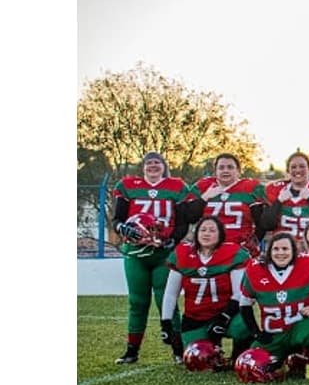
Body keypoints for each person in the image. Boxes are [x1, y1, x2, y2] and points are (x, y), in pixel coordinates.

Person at [111, 151, 197, 364]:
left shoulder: (176, 187)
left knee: (166, 301)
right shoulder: (128, 186)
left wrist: (171, 240)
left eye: (157, 162)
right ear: (143, 167)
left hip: (163, 254)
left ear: (164, 166)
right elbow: (117, 220)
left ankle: (178, 351)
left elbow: (182, 223)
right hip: (136, 253)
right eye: (149, 163)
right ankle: (132, 351)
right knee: (137, 302)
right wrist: (123, 228)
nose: (152, 166)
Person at [237, 231, 309, 379]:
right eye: (276, 249)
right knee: (257, 364)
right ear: (269, 251)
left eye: (285, 249)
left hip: (298, 328)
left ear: (294, 251)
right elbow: (245, 305)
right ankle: (287, 360)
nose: (280, 253)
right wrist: (256, 333)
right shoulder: (255, 269)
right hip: (273, 335)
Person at [159, 216, 251, 365]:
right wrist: (166, 322)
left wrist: (224, 318)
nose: (206, 234)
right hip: (195, 317)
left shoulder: (233, 253)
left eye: (212, 230)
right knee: (195, 359)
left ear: (220, 234)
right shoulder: (183, 253)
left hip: (225, 314)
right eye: (203, 230)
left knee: (244, 325)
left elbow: (239, 293)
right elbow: (171, 294)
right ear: (196, 233)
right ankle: (213, 348)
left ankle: (238, 356)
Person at [194, 152, 265, 256]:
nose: (225, 170)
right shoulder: (204, 187)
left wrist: (254, 241)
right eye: (221, 167)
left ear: (238, 171)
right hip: (209, 248)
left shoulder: (250, 188)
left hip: (239, 248)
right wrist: (204, 198)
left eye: (230, 167)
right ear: (215, 171)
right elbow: (190, 216)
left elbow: (262, 223)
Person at [261, 151, 309, 239]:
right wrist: (278, 201)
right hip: (285, 248)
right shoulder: (275, 190)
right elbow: (267, 225)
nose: (297, 170)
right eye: (293, 167)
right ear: (288, 171)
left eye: (302, 166)